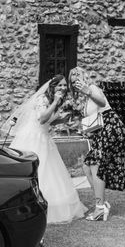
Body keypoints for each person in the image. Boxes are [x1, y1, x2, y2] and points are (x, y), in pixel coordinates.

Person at [5, 74, 87, 224]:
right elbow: (42, 119)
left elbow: (49, 122)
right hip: (33, 139)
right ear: (52, 86)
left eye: (64, 85)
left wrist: (63, 118)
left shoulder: (55, 100)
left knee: (50, 173)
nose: (62, 88)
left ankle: (48, 206)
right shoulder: (42, 99)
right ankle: (29, 206)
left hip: (45, 137)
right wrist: (55, 102)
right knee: (37, 171)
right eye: (59, 85)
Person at [67, 67, 125, 221]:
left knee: (95, 164)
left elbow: (102, 102)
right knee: (87, 166)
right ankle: (102, 202)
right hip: (101, 130)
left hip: (111, 126)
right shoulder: (83, 99)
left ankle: (99, 208)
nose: (76, 83)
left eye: (78, 78)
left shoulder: (92, 88)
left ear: (84, 78)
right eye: (73, 82)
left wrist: (88, 91)